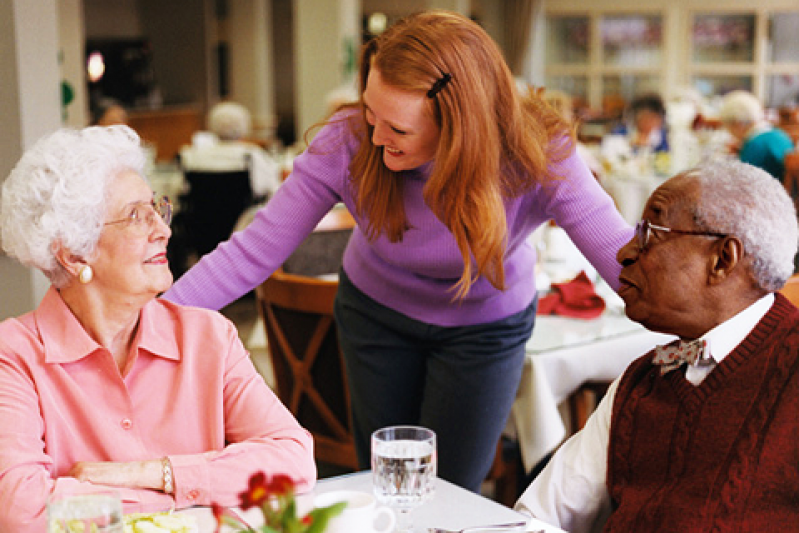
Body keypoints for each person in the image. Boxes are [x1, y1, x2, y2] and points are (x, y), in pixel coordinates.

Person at [163, 10, 631, 493]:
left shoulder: (537, 152)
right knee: (389, 484)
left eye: (398, 129)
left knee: (452, 491)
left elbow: (624, 259)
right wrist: (153, 322)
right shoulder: (349, 143)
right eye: (369, 113)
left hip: (485, 327)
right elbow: (252, 251)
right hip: (375, 315)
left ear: (459, 125)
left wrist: (705, 325)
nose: (376, 136)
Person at [0, 126, 315, 530]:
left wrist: (152, 473)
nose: (163, 230)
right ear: (74, 254)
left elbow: (293, 459)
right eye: (136, 216)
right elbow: (22, 511)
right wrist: (193, 490)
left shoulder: (208, 337)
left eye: (156, 208)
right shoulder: (14, 357)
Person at [515, 159, 799, 532]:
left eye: (650, 233)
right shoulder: (642, 382)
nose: (624, 253)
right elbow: (539, 517)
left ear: (722, 259)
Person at [179, 101, 282, 200]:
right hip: (244, 216)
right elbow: (271, 189)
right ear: (245, 126)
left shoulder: (193, 156)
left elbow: (181, 190)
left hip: (200, 216)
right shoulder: (253, 155)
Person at [719, 89, 795, 180]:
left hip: (766, 190)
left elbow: (741, 179)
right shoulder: (778, 133)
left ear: (737, 123)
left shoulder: (754, 144)